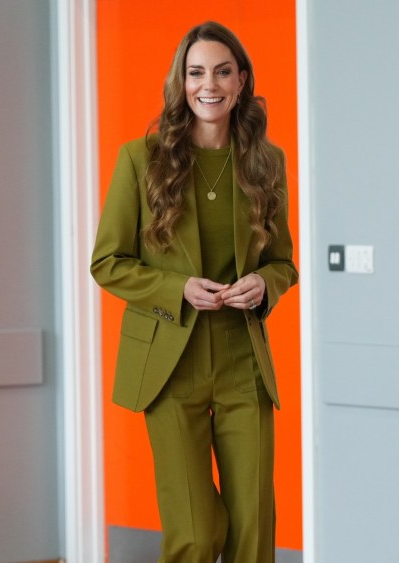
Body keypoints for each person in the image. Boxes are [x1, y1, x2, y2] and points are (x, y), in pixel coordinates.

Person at [91, 21, 298, 563]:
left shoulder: (265, 162)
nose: (209, 84)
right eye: (196, 72)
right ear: (181, 82)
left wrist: (263, 283)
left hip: (242, 361)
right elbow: (107, 263)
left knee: (253, 532)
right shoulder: (141, 159)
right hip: (169, 363)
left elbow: (283, 264)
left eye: (222, 71)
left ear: (241, 80)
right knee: (195, 534)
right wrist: (177, 287)